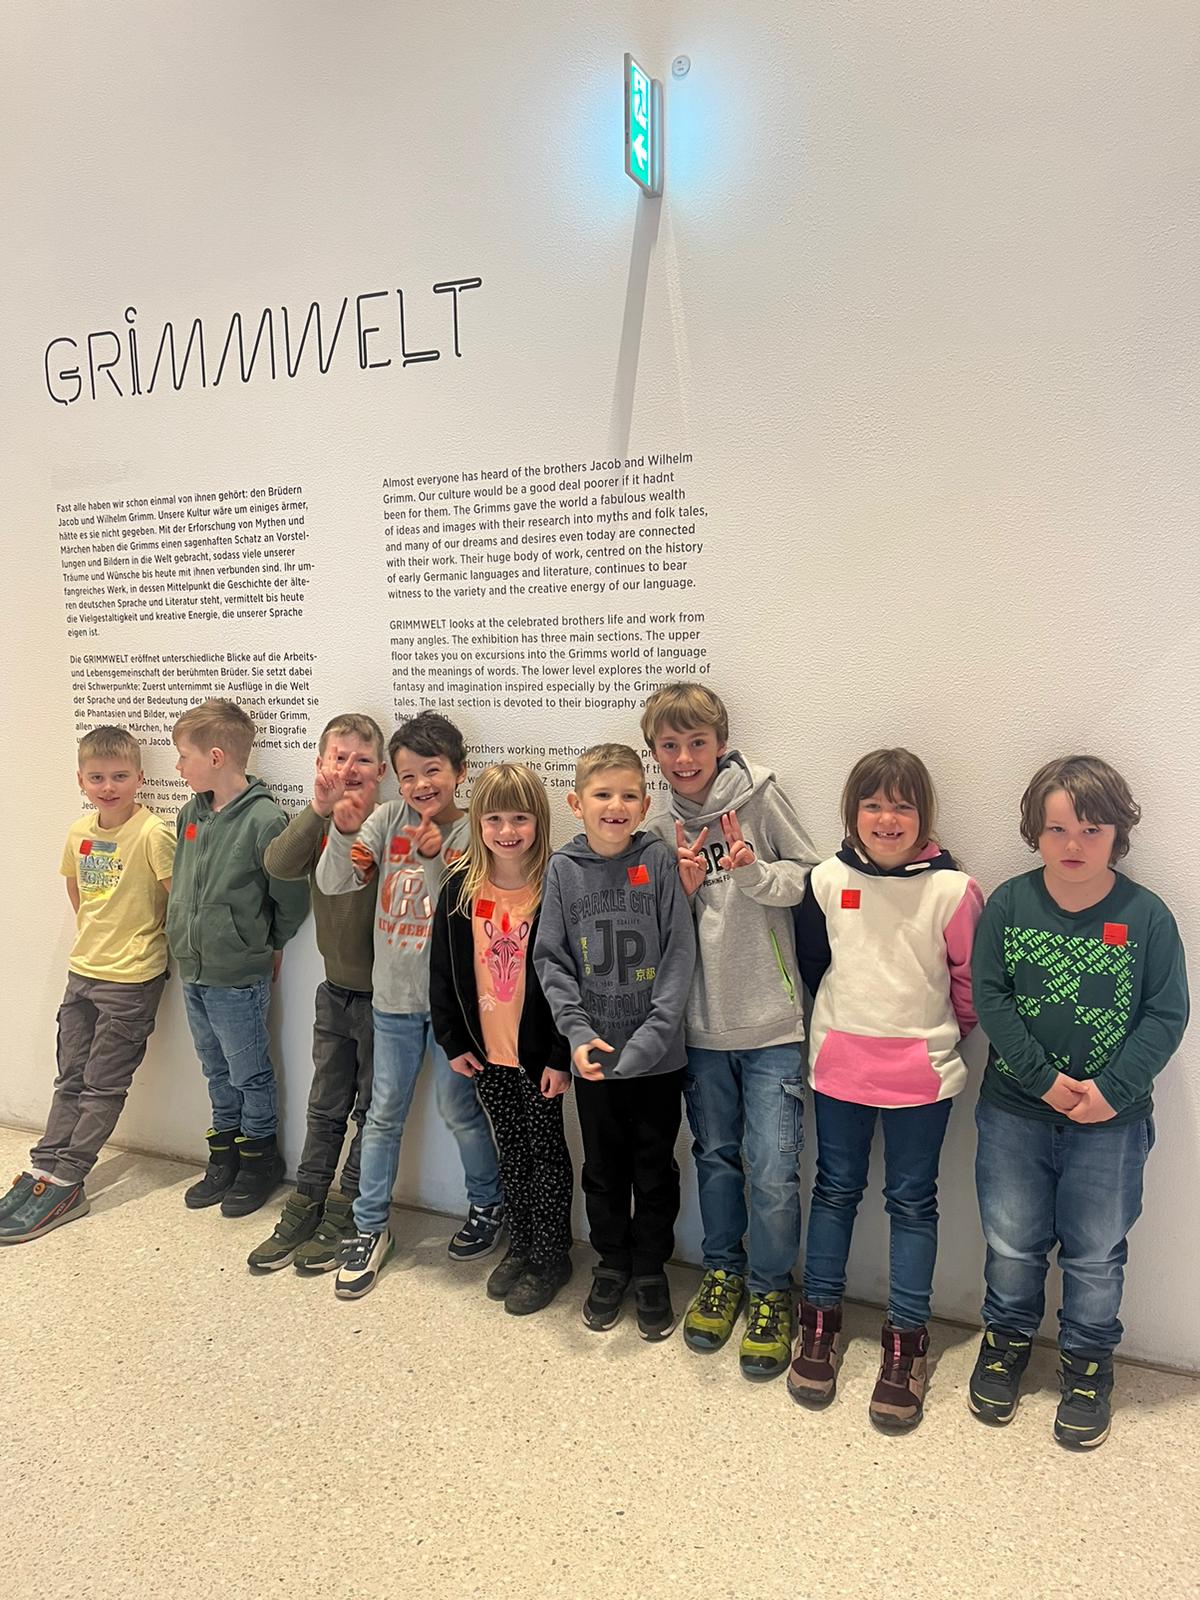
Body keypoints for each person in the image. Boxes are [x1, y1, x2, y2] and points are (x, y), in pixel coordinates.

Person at [968, 755, 1189, 1449]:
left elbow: (1166, 1014)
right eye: (1057, 829)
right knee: (1011, 1242)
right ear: (1034, 831)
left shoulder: (1147, 917)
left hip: (1110, 1125)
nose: (1073, 845)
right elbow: (991, 995)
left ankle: (1089, 1363)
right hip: (1015, 1111)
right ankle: (1006, 1341)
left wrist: (1111, 1091)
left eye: (1091, 830)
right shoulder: (1009, 905)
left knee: (1096, 1254)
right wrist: (1040, 1079)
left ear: (1118, 835)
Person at [791, 749, 982, 1430]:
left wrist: (936, 1036)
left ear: (923, 815)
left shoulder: (954, 890)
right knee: (834, 1190)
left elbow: (969, 984)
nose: (887, 818)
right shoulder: (825, 880)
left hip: (921, 1075)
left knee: (912, 1202)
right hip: (840, 1067)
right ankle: (819, 1323)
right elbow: (815, 964)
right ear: (853, 813)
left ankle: (906, 1343)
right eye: (872, 804)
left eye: (902, 805)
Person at [642, 681, 817, 1381]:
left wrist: (753, 875)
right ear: (655, 753)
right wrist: (680, 896)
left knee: (774, 1171)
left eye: (698, 743)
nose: (685, 758)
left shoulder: (760, 799)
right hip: (701, 1029)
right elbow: (656, 931)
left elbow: (807, 881)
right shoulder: (657, 826)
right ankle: (724, 1274)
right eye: (671, 745)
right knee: (716, 1157)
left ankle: (772, 1290)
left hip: (773, 1026)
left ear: (721, 744)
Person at [316, 710, 503, 1300]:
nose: (421, 785)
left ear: (460, 772)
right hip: (393, 1000)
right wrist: (342, 831)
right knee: (383, 1115)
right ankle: (370, 1227)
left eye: (433, 771)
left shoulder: (477, 830)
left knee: (459, 1110)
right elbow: (336, 882)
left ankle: (488, 1203)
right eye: (408, 775)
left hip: (454, 1007)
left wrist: (436, 858)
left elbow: (479, 907)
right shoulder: (385, 819)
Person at [534, 742, 696, 1340]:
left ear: (645, 804)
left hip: (659, 1062)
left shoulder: (656, 861)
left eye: (629, 795)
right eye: (602, 794)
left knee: (654, 1169)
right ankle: (611, 1264)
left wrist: (653, 1038)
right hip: (595, 1060)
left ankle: (651, 1268)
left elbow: (679, 954)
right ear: (576, 803)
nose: (616, 805)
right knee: (602, 1169)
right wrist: (577, 1034)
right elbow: (551, 960)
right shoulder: (562, 869)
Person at [0, 728, 174, 1243]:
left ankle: (68, 1180)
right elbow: (77, 891)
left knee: (102, 1084)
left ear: (139, 777)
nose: (108, 786)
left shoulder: (153, 834)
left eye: (119, 776)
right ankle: (44, 1166)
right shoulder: (79, 831)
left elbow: (177, 899)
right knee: (70, 1077)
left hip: (131, 978)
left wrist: (138, 943)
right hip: (83, 972)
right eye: (97, 777)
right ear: (81, 780)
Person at [431, 763, 575, 1315]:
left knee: (547, 1152)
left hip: (539, 1056)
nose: (507, 830)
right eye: (494, 818)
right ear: (478, 822)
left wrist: (561, 1054)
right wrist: (452, 1041)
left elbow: (571, 978)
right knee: (511, 1150)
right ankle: (521, 1245)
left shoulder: (555, 885)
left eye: (520, 818)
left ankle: (552, 1255)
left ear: (539, 821)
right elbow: (441, 971)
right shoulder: (459, 885)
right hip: (486, 1052)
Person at [247, 714, 388, 1272]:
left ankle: (348, 1206)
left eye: (362, 759)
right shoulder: (321, 825)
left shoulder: (394, 827)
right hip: (334, 994)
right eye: (339, 757)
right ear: (321, 763)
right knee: (325, 1107)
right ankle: (306, 1200)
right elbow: (277, 864)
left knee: (372, 1114)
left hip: (387, 1004)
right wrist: (318, 809)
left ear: (381, 770)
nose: (349, 769)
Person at [169, 699, 310, 1216]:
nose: (177, 767)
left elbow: (291, 896)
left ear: (215, 757)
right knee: (214, 1069)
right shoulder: (190, 814)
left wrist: (271, 945)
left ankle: (258, 1159)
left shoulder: (265, 819)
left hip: (238, 975)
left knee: (249, 1072)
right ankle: (224, 1154)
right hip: (193, 969)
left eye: (183, 756)